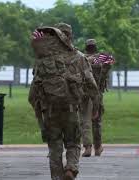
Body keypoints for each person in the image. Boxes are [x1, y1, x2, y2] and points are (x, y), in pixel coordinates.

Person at [29, 22, 98, 180]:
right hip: (71, 109)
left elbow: (33, 94)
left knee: (54, 148)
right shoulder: (79, 57)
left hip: (50, 110)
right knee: (73, 143)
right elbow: (92, 85)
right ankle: (71, 168)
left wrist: (40, 110)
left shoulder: (44, 59)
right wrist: (94, 105)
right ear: (70, 36)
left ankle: (57, 177)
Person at [80, 39, 114, 157]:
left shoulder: (82, 58)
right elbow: (109, 64)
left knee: (85, 120)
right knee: (97, 121)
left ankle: (88, 147)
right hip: (97, 93)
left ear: (86, 47)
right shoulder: (101, 59)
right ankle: (98, 147)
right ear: (95, 47)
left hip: (84, 93)